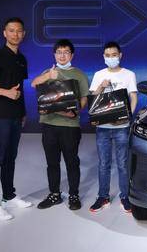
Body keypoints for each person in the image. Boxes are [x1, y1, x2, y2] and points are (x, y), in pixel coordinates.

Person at [0, 17, 33, 220]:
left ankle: (8, 196)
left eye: (19, 31)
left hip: (16, 115)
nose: (15, 34)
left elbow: (20, 88)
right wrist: (6, 92)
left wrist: (23, 112)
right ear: (4, 33)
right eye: (11, 30)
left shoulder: (22, 59)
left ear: (24, 34)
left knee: (11, 157)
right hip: (0, 115)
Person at [31, 39, 89, 211]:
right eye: (59, 52)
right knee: (52, 162)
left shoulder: (79, 74)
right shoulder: (47, 72)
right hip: (49, 124)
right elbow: (34, 84)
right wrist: (49, 76)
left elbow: (84, 98)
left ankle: (74, 195)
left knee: (72, 162)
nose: (62, 55)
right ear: (54, 54)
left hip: (70, 126)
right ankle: (54, 194)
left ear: (72, 55)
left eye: (66, 52)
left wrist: (75, 111)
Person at [88, 42, 138, 214]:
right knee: (104, 163)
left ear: (120, 55)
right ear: (104, 57)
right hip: (103, 126)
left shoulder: (129, 74)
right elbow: (93, 98)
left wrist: (128, 117)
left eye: (114, 55)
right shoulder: (98, 74)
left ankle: (125, 197)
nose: (111, 58)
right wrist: (101, 86)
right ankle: (103, 197)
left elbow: (133, 97)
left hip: (122, 126)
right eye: (108, 55)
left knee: (123, 164)